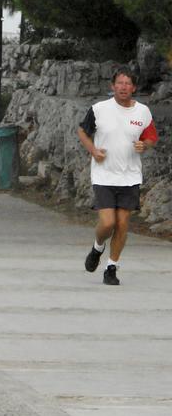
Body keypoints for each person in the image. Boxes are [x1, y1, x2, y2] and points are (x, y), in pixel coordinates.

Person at [78, 66, 158, 285]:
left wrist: (145, 144)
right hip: (104, 176)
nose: (123, 87)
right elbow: (82, 131)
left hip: (130, 176)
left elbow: (150, 136)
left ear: (133, 87)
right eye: (119, 83)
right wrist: (93, 150)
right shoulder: (99, 109)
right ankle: (97, 247)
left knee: (122, 224)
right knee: (107, 223)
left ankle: (111, 267)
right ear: (112, 86)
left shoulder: (142, 112)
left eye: (128, 83)